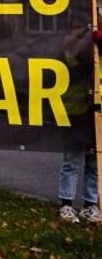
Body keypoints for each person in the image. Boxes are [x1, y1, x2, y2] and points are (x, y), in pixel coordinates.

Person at [57, 26, 99, 224]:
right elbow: (71, 64)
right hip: (76, 113)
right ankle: (66, 203)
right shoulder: (69, 52)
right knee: (72, 160)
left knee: (94, 161)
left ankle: (90, 204)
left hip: (97, 113)